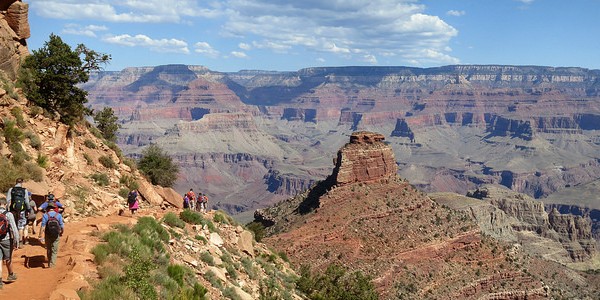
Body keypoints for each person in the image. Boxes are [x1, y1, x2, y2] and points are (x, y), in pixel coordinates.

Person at [6, 178, 31, 249]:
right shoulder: (24, 190)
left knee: (13, 225)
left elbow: (8, 200)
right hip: (22, 211)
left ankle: (14, 242)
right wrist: (28, 209)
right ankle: (20, 242)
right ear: (21, 183)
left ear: (16, 182)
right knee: (21, 226)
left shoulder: (11, 189)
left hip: (13, 211)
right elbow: (26, 201)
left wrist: (7, 210)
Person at [38, 201, 64, 268]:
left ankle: (49, 262)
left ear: (47, 208)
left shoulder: (45, 215)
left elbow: (43, 226)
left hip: (48, 234)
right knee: (54, 250)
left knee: (49, 249)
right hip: (56, 234)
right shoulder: (58, 215)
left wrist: (40, 235)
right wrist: (61, 232)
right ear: (53, 208)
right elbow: (62, 226)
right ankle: (52, 265)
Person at [0, 198, 19, 288]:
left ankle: (0, 282)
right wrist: (17, 242)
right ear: (5, 204)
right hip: (6, 240)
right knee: (8, 259)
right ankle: (10, 275)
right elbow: (14, 229)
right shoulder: (8, 214)